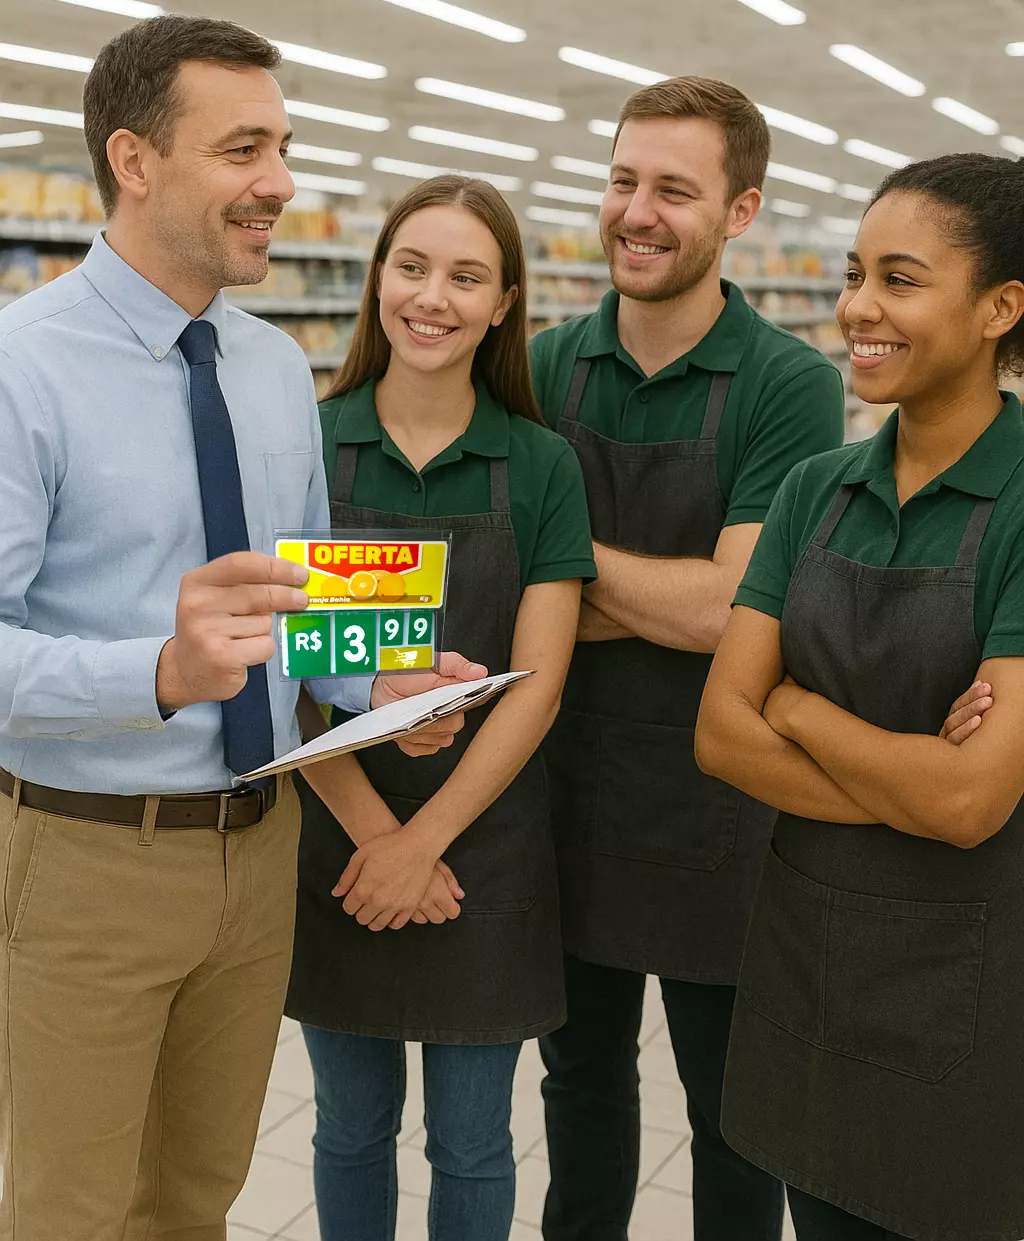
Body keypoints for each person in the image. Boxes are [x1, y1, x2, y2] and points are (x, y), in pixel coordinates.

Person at [0, 18, 473, 1241]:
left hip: (260, 851)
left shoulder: (273, 368)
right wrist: (158, 667)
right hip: (84, 860)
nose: (282, 182)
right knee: (68, 1208)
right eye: (245, 148)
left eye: (286, 146)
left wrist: (388, 689)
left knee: (197, 1196)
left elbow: (307, 614)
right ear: (135, 160)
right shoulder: (22, 369)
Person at [528, 76, 846, 1240]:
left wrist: (558, 570)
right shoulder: (543, 363)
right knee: (580, 1094)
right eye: (622, 180)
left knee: (731, 1120)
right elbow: (681, 598)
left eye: (674, 188)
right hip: (566, 797)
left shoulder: (789, 383)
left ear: (741, 210)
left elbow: (725, 611)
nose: (638, 211)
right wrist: (665, 593)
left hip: (720, 814)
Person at [696, 152, 1024, 1241]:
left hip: (970, 993)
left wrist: (797, 707)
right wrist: (912, 776)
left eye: (899, 278)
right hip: (808, 973)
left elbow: (972, 803)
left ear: (999, 307)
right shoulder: (812, 489)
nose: (857, 309)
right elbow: (717, 733)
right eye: (851, 274)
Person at [284, 174, 596, 1241]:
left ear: (506, 301)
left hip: (484, 844)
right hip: (341, 837)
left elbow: (539, 680)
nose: (433, 297)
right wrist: (379, 834)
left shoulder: (540, 463)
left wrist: (426, 837)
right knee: (347, 1126)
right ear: (377, 278)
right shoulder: (310, 447)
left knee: (471, 1142)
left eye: (467, 275)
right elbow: (294, 675)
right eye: (411, 266)